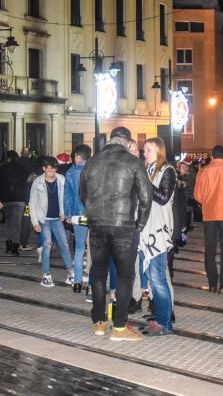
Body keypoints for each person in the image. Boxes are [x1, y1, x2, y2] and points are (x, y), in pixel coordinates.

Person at [79, 126, 152, 340]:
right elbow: (146, 199)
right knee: (125, 275)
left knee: (98, 272)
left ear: (111, 140)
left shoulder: (92, 162)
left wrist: (93, 214)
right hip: (124, 226)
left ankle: (99, 322)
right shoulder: (133, 162)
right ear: (128, 143)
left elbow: (83, 194)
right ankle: (119, 327)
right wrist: (139, 224)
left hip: (97, 225)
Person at [193, 145, 223, 294]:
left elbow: (197, 196)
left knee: (210, 249)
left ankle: (213, 283)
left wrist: (208, 202)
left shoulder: (203, 171)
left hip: (209, 215)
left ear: (212, 156)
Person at [140, 138, 176, 335]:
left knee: (158, 278)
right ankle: (158, 319)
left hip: (158, 231)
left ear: (158, 151)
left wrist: (144, 181)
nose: (144, 153)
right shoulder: (148, 169)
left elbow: (162, 198)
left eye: (148, 150)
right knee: (153, 280)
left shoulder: (167, 170)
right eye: (144, 150)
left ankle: (164, 322)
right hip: (146, 229)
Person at [29, 157, 73, 288]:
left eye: (54, 171)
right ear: (44, 169)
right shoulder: (37, 182)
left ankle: (71, 273)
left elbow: (65, 197)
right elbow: (32, 203)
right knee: (47, 244)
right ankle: (46, 275)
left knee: (64, 244)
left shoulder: (61, 180)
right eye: (49, 171)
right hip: (44, 219)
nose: (52, 174)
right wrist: (35, 222)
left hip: (56, 218)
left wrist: (64, 211)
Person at [64, 144, 91, 293]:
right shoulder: (95, 170)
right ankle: (92, 285)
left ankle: (78, 282)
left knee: (79, 248)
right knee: (94, 250)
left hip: (77, 215)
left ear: (78, 157)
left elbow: (67, 196)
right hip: (94, 214)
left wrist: (68, 214)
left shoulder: (71, 172)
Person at [0, 150, 29, 256]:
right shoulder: (22, 168)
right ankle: (15, 247)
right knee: (17, 224)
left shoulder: (2, 168)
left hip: (6, 199)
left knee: (9, 223)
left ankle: (8, 245)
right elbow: (25, 182)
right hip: (19, 199)